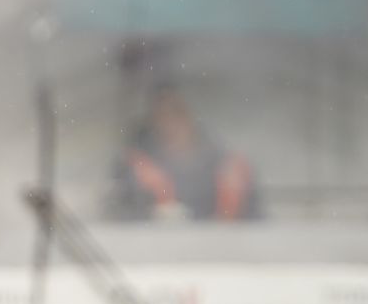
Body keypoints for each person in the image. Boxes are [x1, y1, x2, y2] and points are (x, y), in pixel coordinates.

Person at [112, 83, 262, 222]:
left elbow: (256, 224)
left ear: (190, 117)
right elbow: (114, 220)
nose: (169, 123)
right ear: (151, 123)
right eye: (160, 116)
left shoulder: (223, 166)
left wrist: (233, 207)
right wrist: (151, 204)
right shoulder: (135, 169)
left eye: (176, 112)